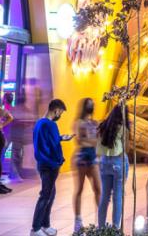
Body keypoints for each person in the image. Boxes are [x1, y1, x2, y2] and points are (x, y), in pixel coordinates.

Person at [31, 99, 71, 236]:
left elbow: (47, 140)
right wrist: (59, 160)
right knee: (45, 195)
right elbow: (54, 146)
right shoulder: (51, 125)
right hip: (50, 164)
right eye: (61, 112)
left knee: (50, 194)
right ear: (56, 110)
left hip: (42, 163)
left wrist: (61, 138)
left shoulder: (40, 123)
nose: (60, 115)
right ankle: (35, 228)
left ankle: (45, 225)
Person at [73, 98, 102, 232]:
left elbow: (98, 141)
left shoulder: (95, 122)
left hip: (93, 158)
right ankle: (78, 221)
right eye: (89, 104)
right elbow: (80, 141)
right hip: (82, 158)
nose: (91, 106)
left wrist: (89, 141)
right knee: (79, 189)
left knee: (98, 189)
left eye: (92, 104)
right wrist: (92, 141)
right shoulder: (78, 122)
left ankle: (101, 220)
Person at [97, 105, 129, 228]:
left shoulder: (102, 126)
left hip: (105, 163)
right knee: (117, 196)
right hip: (119, 163)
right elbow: (126, 148)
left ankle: (101, 227)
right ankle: (115, 228)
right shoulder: (123, 128)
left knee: (105, 196)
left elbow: (99, 144)